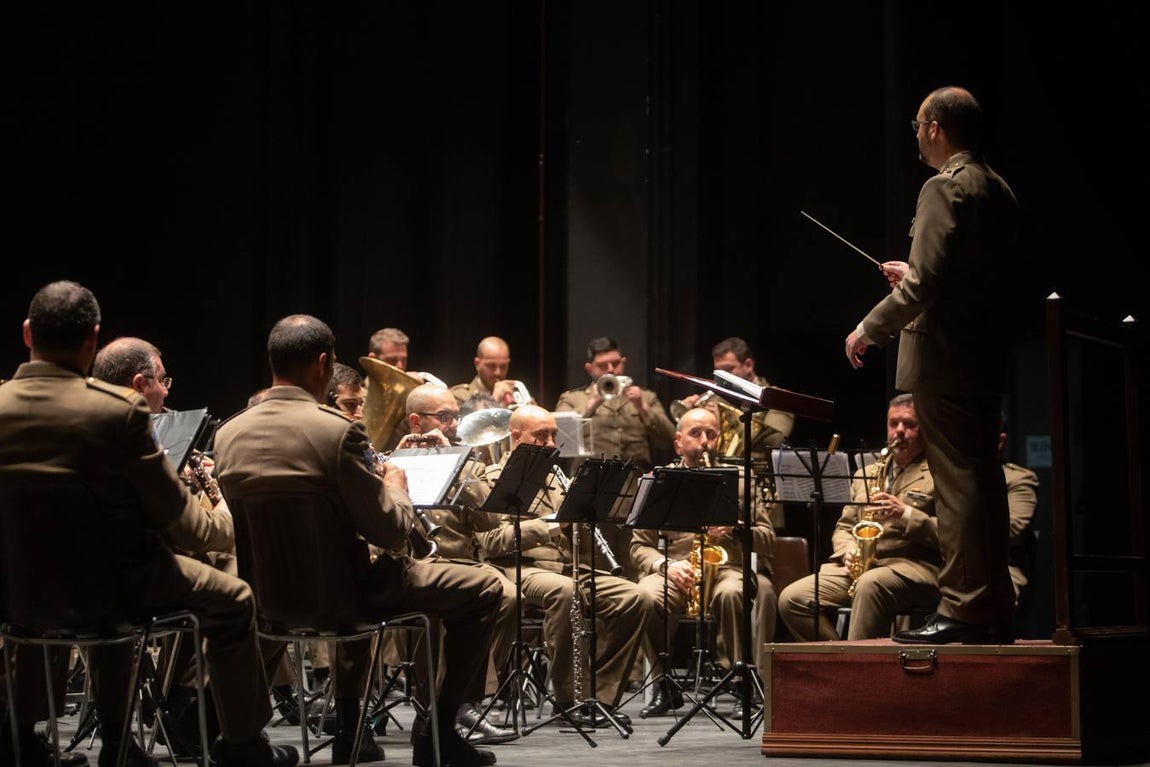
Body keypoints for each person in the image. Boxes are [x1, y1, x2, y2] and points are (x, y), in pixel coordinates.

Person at [0, 281, 298, 767]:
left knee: (61, 573)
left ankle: (23, 738)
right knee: (234, 597)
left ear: (28, 333)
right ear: (92, 340)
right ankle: (240, 745)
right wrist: (220, 515)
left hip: (17, 591)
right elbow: (179, 522)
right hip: (112, 591)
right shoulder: (118, 412)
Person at [212, 314, 502, 767]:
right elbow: (388, 529)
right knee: (484, 586)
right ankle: (440, 734)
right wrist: (396, 484)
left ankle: (255, 739)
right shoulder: (337, 430)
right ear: (323, 363)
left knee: (351, 568)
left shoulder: (228, 433)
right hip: (345, 601)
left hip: (266, 603)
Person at [844, 86, 1019, 645]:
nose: (917, 135)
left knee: (958, 488)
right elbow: (967, 278)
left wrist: (868, 328)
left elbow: (923, 287)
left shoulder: (943, 186)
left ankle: (963, 609)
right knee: (982, 483)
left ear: (936, 127)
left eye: (919, 125)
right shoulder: (998, 188)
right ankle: (991, 607)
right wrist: (917, 273)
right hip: (982, 355)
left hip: (944, 359)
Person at [91, 336, 239, 758]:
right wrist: (224, 507)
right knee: (235, 586)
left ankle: (114, 735)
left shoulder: (70, 427)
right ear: (140, 384)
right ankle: (235, 734)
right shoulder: (136, 435)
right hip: (125, 586)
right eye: (162, 380)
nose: (166, 391)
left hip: (48, 583)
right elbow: (196, 531)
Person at [478, 405, 654, 729]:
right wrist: (549, 526)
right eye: (540, 435)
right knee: (565, 592)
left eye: (553, 436)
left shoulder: (557, 480)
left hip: (565, 566)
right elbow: (489, 541)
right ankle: (568, 699)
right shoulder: (491, 479)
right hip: (518, 567)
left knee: (636, 597)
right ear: (515, 436)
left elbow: (578, 543)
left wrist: (587, 507)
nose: (550, 444)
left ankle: (600, 696)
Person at [389, 383, 518, 746]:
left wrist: (457, 466)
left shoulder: (468, 462)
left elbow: (489, 521)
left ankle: (465, 701)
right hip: (411, 563)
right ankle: (434, 709)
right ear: (416, 421)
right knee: (427, 609)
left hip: (462, 564)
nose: (453, 424)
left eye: (455, 416)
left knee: (507, 594)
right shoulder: (389, 462)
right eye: (444, 417)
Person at [630, 407, 779, 720]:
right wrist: (665, 566)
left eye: (711, 434)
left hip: (728, 568)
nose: (704, 441)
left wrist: (735, 529)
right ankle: (665, 684)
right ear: (678, 443)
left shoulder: (742, 480)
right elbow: (639, 547)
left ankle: (741, 684)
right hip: (677, 569)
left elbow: (768, 538)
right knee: (643, 596)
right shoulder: (659, 480)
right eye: (695, 433)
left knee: (732, 593)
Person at [777, 394, 940, 642]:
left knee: (870, 585)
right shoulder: (867, 472)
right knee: (792, 599)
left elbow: (953, 535)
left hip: (914, 567)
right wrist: (848, 551)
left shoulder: (939, 474)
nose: (899, 431)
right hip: (865, 567)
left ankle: (856, 664)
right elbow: (844, 526)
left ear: (925, 428)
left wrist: (906, 514)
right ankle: (839, 658)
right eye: (893, 423)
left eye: (909, 424)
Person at [555, 336, 675, 580]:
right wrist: (591, 405)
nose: (610, 370)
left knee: (634, 564)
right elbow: (561, 442)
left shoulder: (645, 397)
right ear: (589, 368)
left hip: (635, 495)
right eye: (602, 366)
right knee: (595, 567)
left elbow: (670, 439)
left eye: (615, 363)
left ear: (623, 362)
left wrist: (643, 409)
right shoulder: (573, 399)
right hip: (592, 494)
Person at [671, 336, 794, 454]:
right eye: (718, 372)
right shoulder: (713, 397)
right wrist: (691, 414)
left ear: (748, 365)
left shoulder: (778, 398)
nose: (722, 378)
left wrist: (724, 419)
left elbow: (774, 440)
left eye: (728, 370)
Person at [450, 336, 532, 411]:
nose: (498, 372)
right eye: (491, 366)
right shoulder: (459, 396)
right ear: (477, 364)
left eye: (503, 366)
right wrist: (495, 399)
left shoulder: (516, 392)